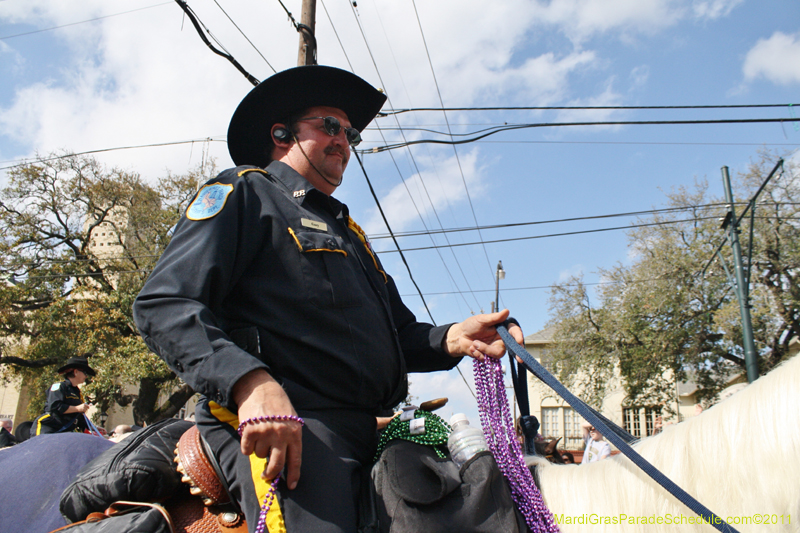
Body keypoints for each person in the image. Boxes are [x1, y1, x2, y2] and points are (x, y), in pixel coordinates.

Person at [133, 65, 524, 533]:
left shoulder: (350, 233)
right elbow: (164, 303)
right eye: (330, 126)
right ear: (281, 133)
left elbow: (399, 336)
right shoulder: (245, 191)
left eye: (351, 133)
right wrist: (250, 384)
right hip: (293, 424)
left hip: (369, 426)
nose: (344, 140)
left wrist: (453, 338)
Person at [31, 357, 95, 437]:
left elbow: (79, 417)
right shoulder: (58, 386)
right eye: (85, 373)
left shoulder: (77, 392)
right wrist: (77, 408)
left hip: (65, 431)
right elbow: (55, 406)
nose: (86, 376)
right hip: (49, 428)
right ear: (75, 372)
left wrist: (92, 427)